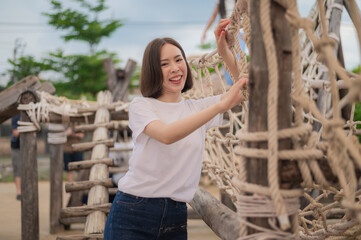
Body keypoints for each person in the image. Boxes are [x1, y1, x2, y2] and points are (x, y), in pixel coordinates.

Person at [104, 19, 245, 240]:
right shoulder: (141, 105)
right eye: (164, 64)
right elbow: (167, 135)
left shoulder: (198, 108)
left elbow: (246, 88)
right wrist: (220, 105)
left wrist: (224, 51)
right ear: (153, 70)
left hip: (176, 215)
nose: (175, 68)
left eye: (179, 60)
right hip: (133, 211)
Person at [201, 0, 247, 86]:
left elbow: (246, 13)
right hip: (226, 31)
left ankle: (241, 82)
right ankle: (231, 83)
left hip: (239, 31)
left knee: (240, 56)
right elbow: (214, 16)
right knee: (225, 57)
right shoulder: (220, 2)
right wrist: (205, 31)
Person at [11, 114, 21, 201]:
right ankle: (19, 192)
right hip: (17, 147)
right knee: (17, 169)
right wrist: (25, 129)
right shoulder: (16, 116)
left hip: (28, 147)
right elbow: (15, 134)